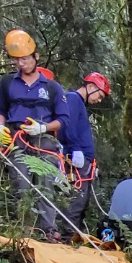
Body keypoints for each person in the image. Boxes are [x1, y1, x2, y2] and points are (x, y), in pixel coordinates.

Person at [0, 28, 67, 238]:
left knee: (46, 184)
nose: (20, 63)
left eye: (24, 58)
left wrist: (43, 128)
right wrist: (0, 126)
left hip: (44, 141)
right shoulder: (7, 83)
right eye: (16, 60)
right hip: (17, 139)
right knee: (21, 183)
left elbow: (62, 120)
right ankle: (25, 230)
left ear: (36, 57)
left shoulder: (52, 87)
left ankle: (49, 230)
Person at [57, 71, 108, 229]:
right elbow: (67, 125)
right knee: (74, 202)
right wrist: (75, 149)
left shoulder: (78, 102)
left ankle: (70, 238)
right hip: (75, 162)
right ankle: (65, 239)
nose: (98, 100)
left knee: (80, 204)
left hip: (83, 163)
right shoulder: (72, 99)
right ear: (90, 86)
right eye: (99, 95)